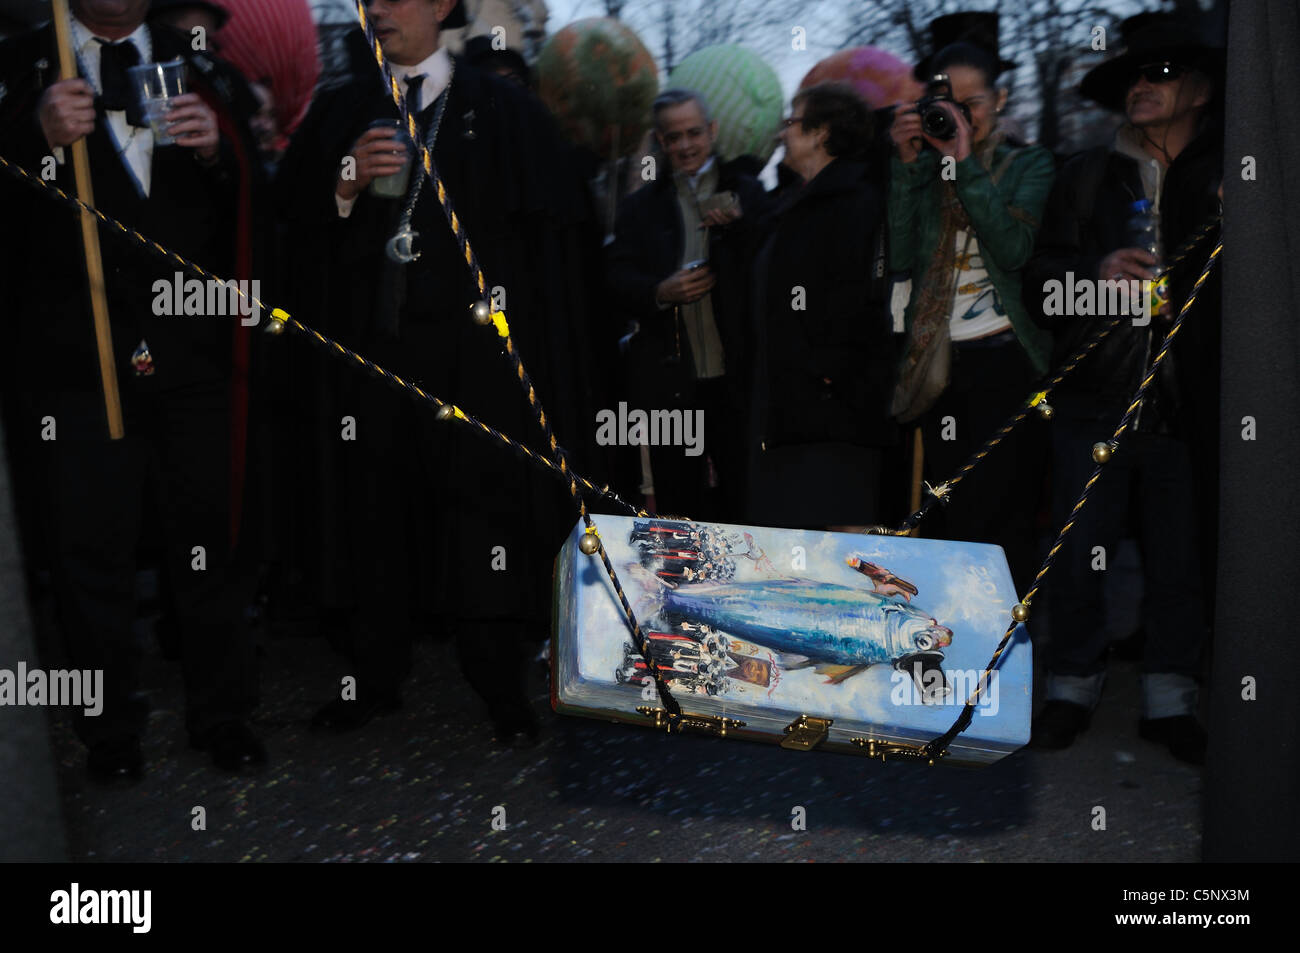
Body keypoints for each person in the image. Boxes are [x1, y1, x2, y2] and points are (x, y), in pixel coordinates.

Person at [276, 0, 599, 744]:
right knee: (372, 519)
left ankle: (499, 686)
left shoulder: (504, 109)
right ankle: (373, 677)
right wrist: (344, 184)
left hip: (474, 368)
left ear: (439, 7)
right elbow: (290, 231)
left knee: (483, 520)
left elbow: (555, 242)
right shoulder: (341, 110)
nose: (378, 11)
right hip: (371, 368)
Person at [0, 0, 263, 779]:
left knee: (210, 546)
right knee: (89, 553)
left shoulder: (209, 68)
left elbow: (255, 208)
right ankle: (108, 731)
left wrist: (221, 156)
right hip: (75, 367)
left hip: (192, 362)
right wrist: (32, 142)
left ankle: (224, 715)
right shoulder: (19, 69)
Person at [1023, 12, 1224, 764]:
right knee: (1080, 553)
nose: (1141, 85)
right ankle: (1069, 687)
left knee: (1182, 554)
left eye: (1160, 74)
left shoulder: (1229, 173)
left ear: (1202, 89)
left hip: (1192, 401)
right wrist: (1095, 276)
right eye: (1133, 77)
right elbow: (1041, 288)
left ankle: (1170, 697)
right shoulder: (1084, 174)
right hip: (1095, 400)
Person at [886, 13, 1055, 587]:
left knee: (1001, 520)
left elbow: (1012, 250)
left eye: (972, 103)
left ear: (1001, 98)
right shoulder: (928, 168)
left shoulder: (1029, 163)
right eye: (946, 102)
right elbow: (901, 258)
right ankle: (945, 654)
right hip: (938, 362)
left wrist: (963, 162)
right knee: (944, 518)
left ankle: (1010, 654)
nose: (958, 115)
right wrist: (909, 167)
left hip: (1004, 362)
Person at [605, 88, 767, 520]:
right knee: (678, 507)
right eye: (673, 137)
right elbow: (615, 279)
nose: (685, 145)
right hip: (670, 383)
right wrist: (661, 291)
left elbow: (771, 271)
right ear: (661, 141)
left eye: (693, 132)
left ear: (712, 131)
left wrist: (740, 230)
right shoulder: (641, 207)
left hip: (739, 379)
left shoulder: (749, 193)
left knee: (749, 504)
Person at [744, 82, 895, 531]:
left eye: (792, 121)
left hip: (830, 417)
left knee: (836, 548)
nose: (782, 133)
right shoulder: (791, 203)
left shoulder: (854, 203)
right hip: (787, 409)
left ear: (820, 132)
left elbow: (858, 302)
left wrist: (825, 372)